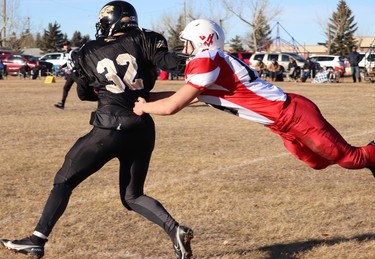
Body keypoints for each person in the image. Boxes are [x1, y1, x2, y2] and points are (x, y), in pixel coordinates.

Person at [0, 1, 193, 259]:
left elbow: (84, 94)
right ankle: (174, 229)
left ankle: (37, 239)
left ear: (111, 22)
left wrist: (85, 77)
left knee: (64, 179)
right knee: (132, 195)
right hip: (142, 127)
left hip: (109, 127)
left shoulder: (89, 50)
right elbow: (171, 64)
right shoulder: (147, 39)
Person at [133, 19, 375, 178]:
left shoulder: (207, 59)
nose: (184, 50)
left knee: (350, 159)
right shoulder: (213, 61)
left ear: (201, 41)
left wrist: (144, 108)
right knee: (316, 162)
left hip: (293, 114)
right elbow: (185, 98)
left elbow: (173, 106)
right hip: (281, 124)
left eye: (187, 44)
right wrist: (144, 96)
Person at [54, 41, 75, 109]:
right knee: (66, 88)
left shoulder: (73, 52)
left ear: (70, 45)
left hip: (76, 73)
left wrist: (72, 69)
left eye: (66, 45)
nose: (65, 46)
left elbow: (76, 61)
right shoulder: (66, 53)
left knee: (84, 87)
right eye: (64, 45)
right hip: (71, 74)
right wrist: (62, 67)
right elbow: (68, 62)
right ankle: (62, 104)